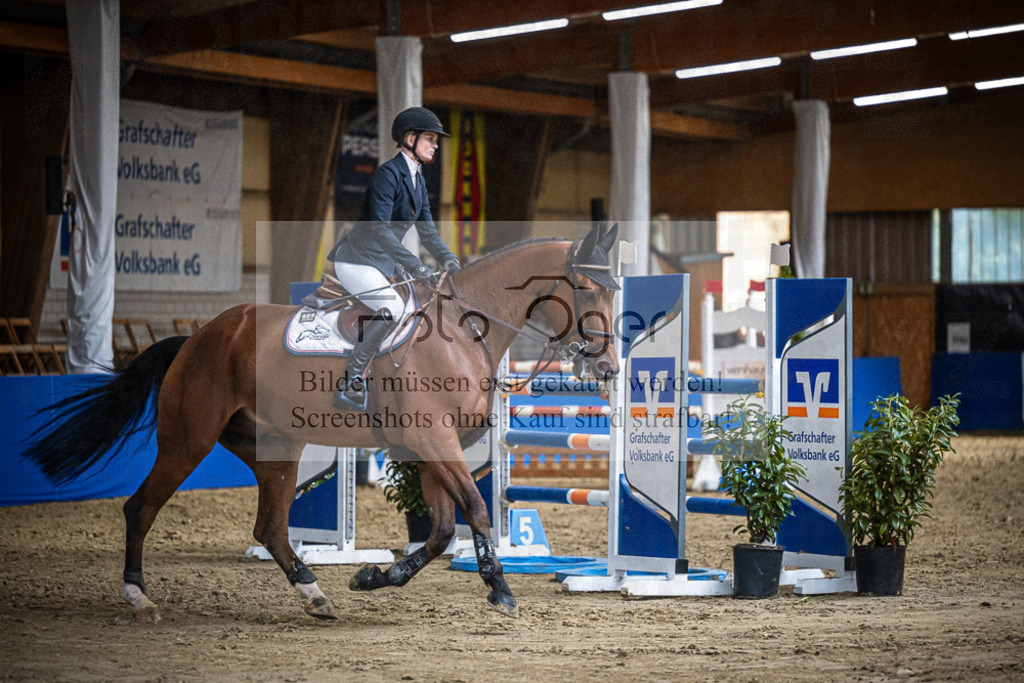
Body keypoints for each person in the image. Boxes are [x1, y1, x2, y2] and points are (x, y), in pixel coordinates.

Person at [327, 106, 461, 411]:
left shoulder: (418, 181)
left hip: (382, 263)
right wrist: (416, 266)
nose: (436, 145)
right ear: (410, 139)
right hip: (357, 260)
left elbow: (428, 232)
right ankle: (351, 383)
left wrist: (450, 259)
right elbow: (380, 231)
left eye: (436, 140)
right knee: (393, 307)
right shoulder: (388, 175)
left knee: (418, 307)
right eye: (430, 139)